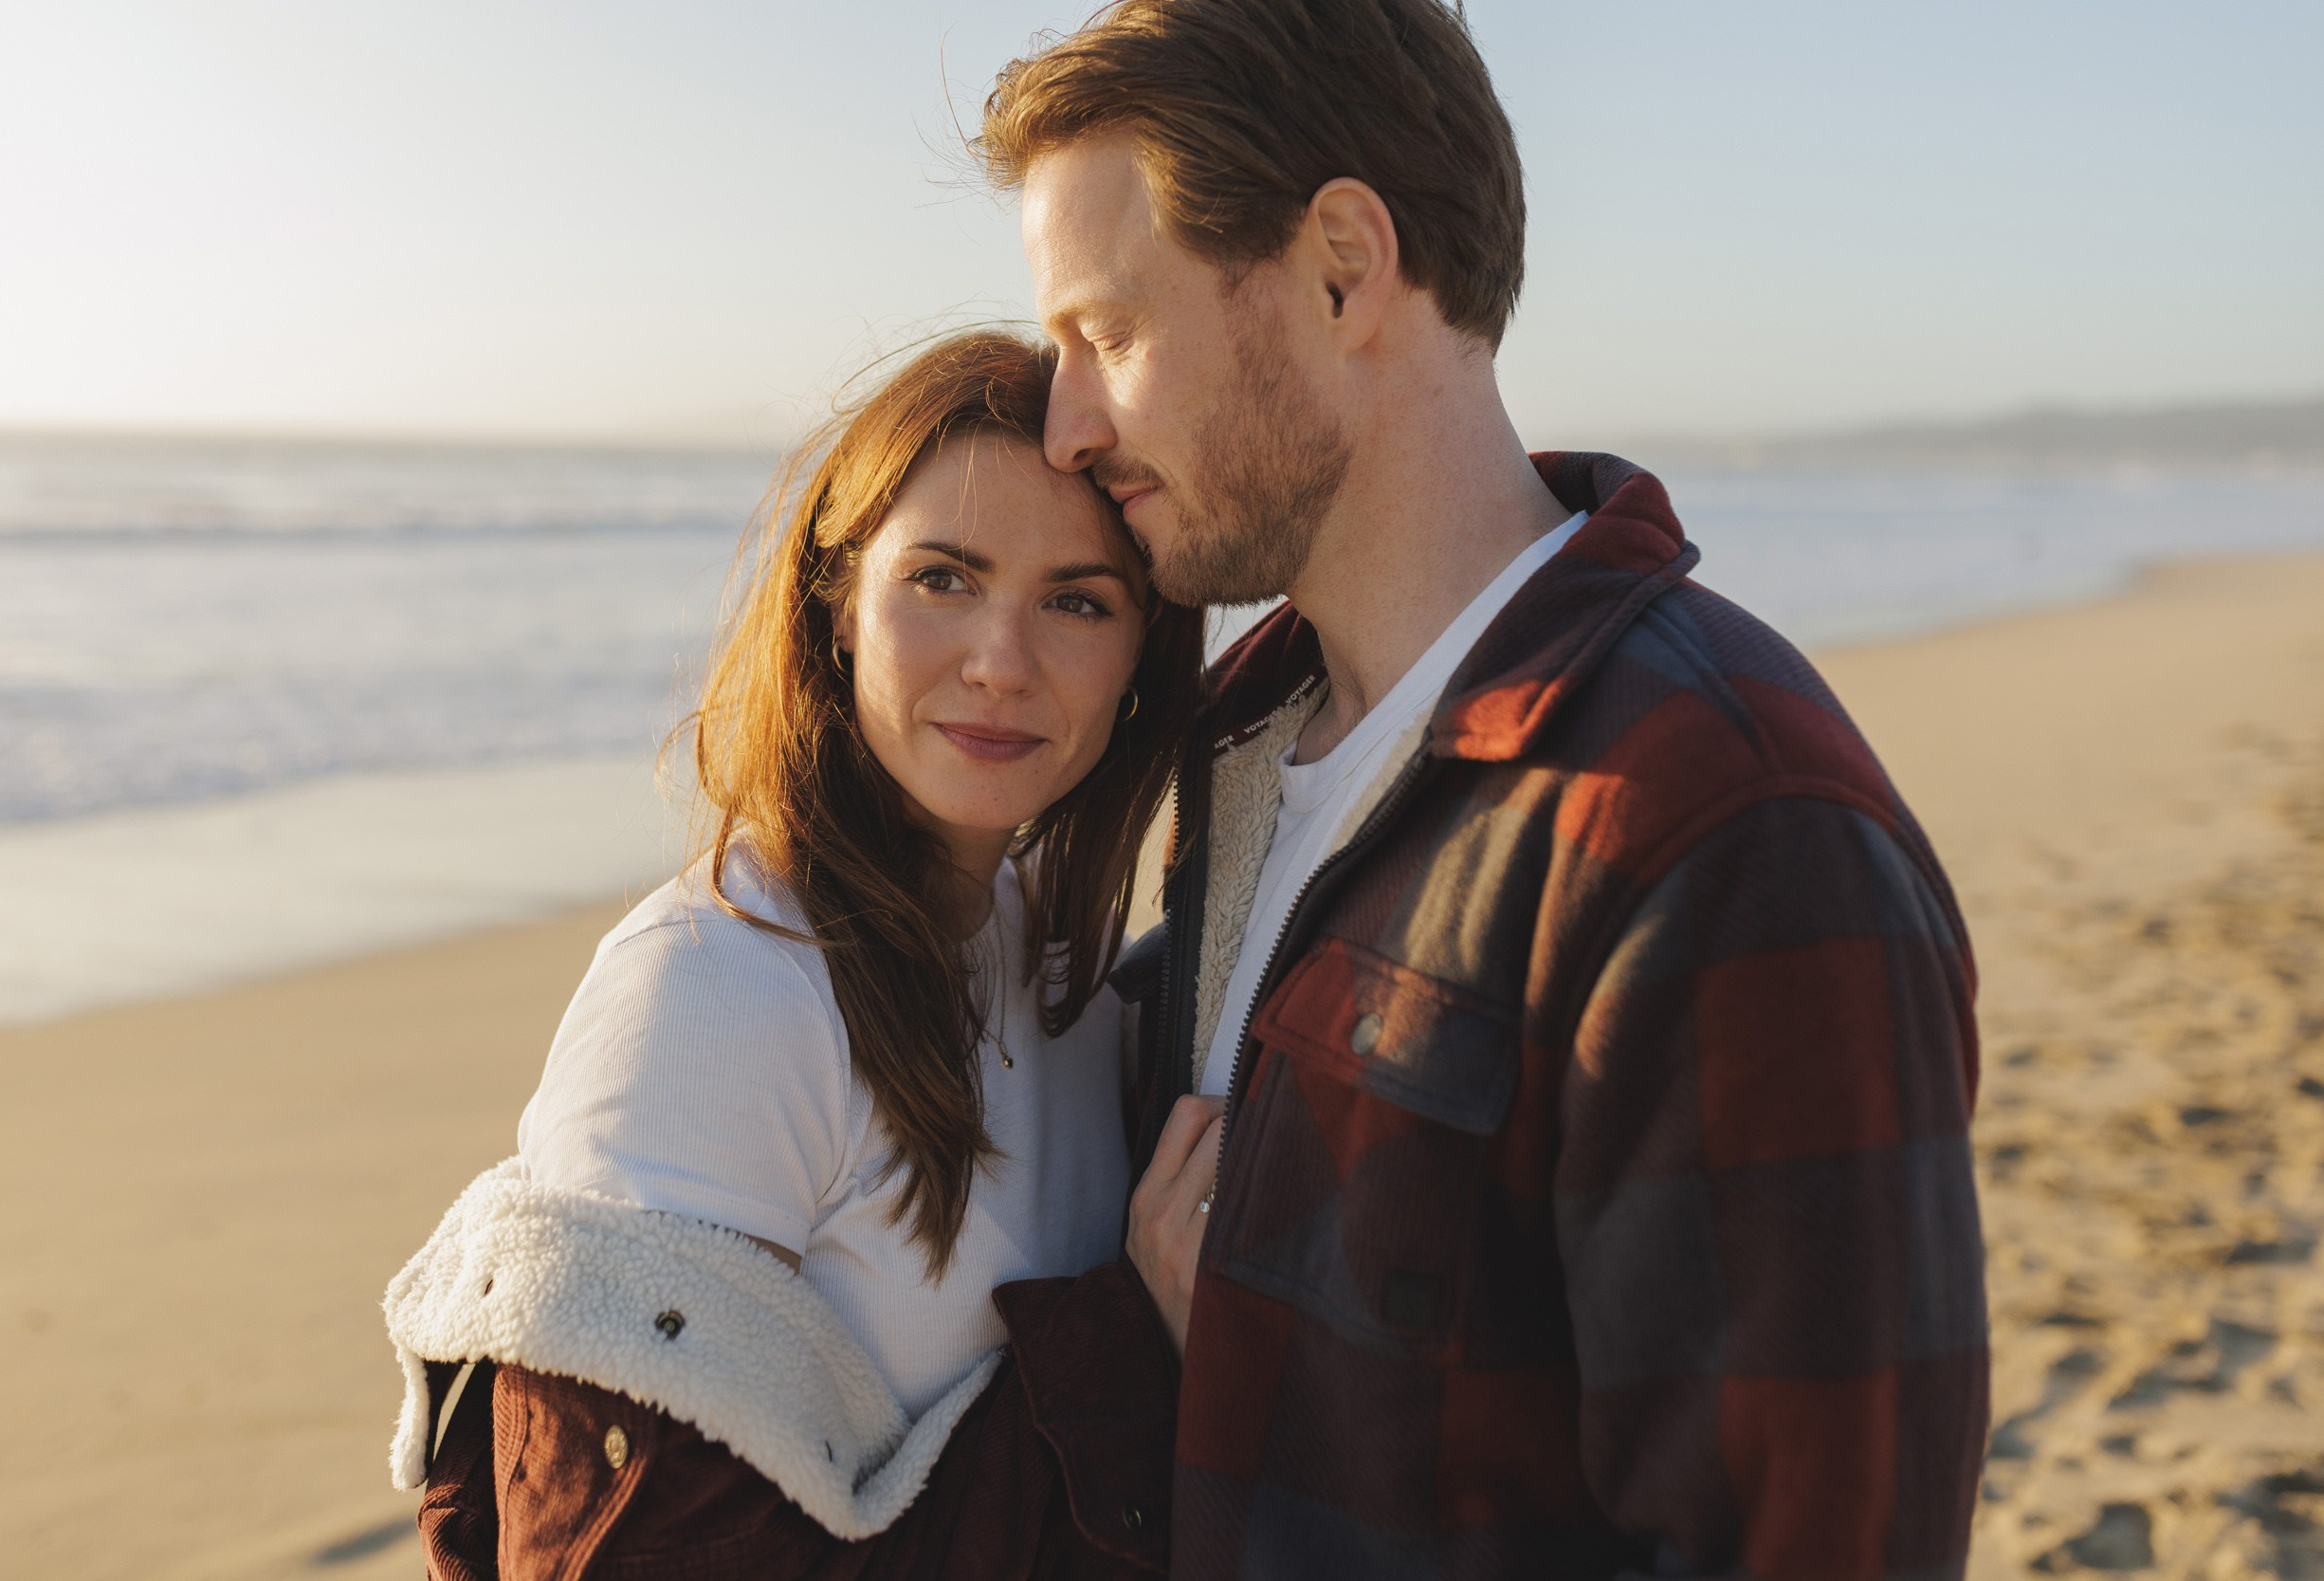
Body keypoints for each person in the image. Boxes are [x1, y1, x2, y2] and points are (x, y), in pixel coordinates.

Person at [977, 0, 1992, 1576]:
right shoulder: (1249, 753)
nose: (1068, 424)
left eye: (1107, 334)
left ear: (1343, 266)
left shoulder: (1724, 827)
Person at [382, 331, 1203, 1579]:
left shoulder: (1052, 961)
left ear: (1141, 655)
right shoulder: (718, 988)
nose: (1001, 662)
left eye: (1077, 601)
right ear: (837, 602)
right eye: (942, 578)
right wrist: (1132, 1345)